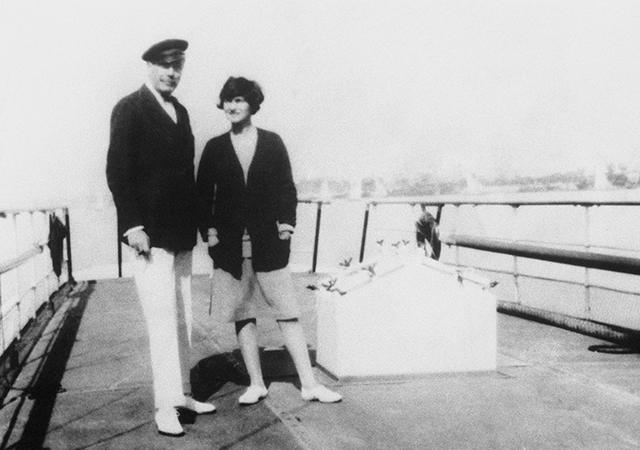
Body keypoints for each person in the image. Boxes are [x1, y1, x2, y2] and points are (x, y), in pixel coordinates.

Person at [196, 76, 342, 405]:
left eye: (239, 100)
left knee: (287, 311)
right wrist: (210, 233)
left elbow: (286, 188)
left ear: (252, 104)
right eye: (227, 100)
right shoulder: (215, 147)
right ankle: (256, 384)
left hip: (268, 242)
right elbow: (203, 195)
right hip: (231, 245)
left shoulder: (272, 142)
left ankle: (309, 384)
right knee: (243, 314)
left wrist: (287, 225)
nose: (232, 106)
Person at [106, 38, 215, 437]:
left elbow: (185, 175)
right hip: (149, 235)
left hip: (181, 230)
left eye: (178, 66)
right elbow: (118, 172)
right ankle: (164, 405)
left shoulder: (180, 111)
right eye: (166, 65)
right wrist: (133, 226)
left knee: (182, 315)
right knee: (161, 320)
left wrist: (203, 226)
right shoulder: (130, 108)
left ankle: (182, 393)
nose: (173, 72)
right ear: (149, 66)